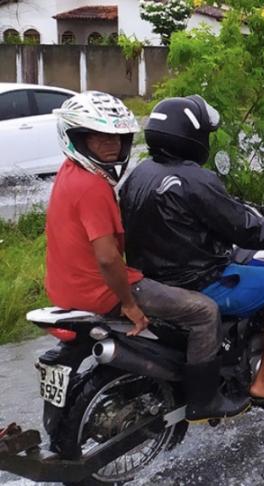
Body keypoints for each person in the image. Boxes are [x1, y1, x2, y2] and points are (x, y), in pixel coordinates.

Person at [46, 91, 249, 421]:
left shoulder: (69, 174)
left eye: (118, 138)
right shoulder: (93, 188)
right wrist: (128, 303)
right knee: (204, 311)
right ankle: (204, 401)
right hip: (100, 290)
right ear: (77, 139)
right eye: (99, 138)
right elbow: (108, 259)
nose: (111, 146)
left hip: (65, 290)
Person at [119, 95, 264, 408]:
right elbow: (248, 230)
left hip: (154, 280)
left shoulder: (140, 174)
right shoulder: (195, 178)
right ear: (192, 136)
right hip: (198, 281)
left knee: (249, 264)